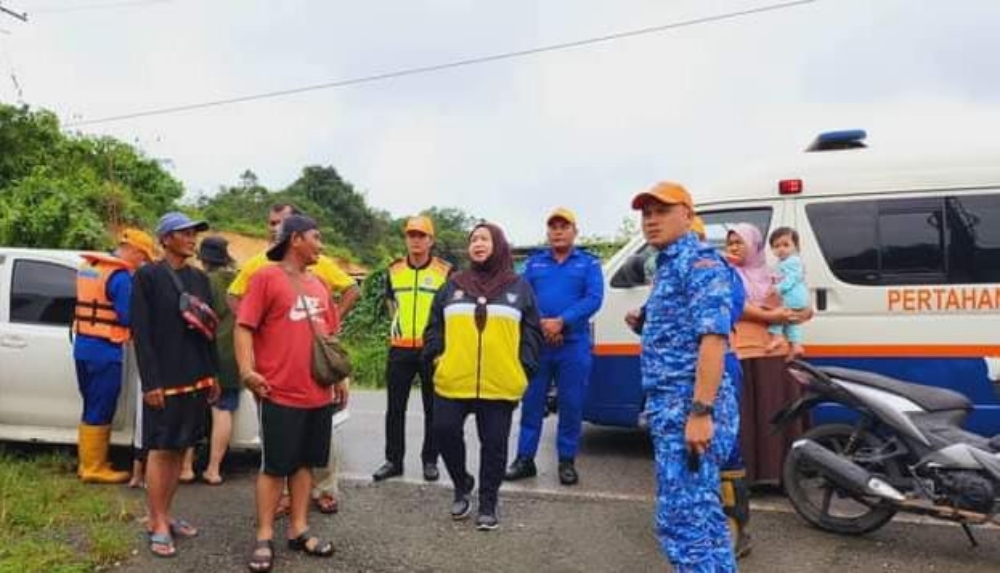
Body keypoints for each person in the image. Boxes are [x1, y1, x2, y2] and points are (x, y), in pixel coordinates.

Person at [625, 182, 738, 571]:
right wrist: (646, 324)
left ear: (687, 216)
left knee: (682, 521)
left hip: (688, 409)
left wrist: (701, 413)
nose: (651, 221)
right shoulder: (671, 263)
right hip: (672, 407)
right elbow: (685, 333)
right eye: (646, 214)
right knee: (704, 518)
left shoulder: (700, 263)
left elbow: (713, 341)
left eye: (661, 211)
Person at [229, 202, 358, 515]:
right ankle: (271, 520)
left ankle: (321, 494)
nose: (275, 227)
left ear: (293, 231)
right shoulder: (260, 269)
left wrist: (337, 370)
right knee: (277, 457)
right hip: (276, 381)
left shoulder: (320, 271)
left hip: (317, 379)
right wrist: (260, 336)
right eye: (272, 222)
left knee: (312, 454)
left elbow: (347, 298)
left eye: (281, 222)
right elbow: (237, 305)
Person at [235, 215, 344, 571]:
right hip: (279, 392)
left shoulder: (321, 285)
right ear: (296, 239)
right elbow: (244, 327)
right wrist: (247, 371)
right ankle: (264, 535)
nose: (321, 245)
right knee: (274, 466)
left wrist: (340, 378)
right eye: (316, 237)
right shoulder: (266, 278)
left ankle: (299, 529)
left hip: (318, 394)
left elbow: (329, 334)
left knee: (305, 464)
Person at [423, 222, 542, 531]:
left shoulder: (519, 287)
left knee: (494, 445)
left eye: (484, 238)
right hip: (453, 378)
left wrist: (524, 367)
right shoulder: (453, 284)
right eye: (473, 239)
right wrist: (437, 357)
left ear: (498, 244)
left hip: (499, 382)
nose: (477, 243)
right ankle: (462, 484)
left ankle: (488, 501)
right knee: (444, 430)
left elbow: (531, 332)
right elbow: (435, 325)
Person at [132, 212, 220, 558]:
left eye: (193, 233)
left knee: (181, 447)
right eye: (184, 233)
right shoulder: (147, 277)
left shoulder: (200, 279)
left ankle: (165, 514)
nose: (191, 238)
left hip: (195, 377)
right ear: (165, 239)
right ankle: (156, 523)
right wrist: (151, 381)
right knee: (162, 449)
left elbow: (208, 329)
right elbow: (142, 332)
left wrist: (211, 373)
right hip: (164, 382)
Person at [505, 208, 603, 486]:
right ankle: (525, 459)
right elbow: (522, 296)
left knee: (571, 404)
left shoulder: (589, 264)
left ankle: (566, 461)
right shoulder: (534, 264)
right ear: (547, 232)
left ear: (575, 231)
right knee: (532, 402)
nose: (558, 231)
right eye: (553, 227)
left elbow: (593, 299)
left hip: (574, 345)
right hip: (539, 344)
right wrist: (545, 326)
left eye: (564, 226)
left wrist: (563, 322)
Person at [725, 223, 809, 486]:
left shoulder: (774, 273)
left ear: (755, 247)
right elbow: (735, 306)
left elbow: (800, 307)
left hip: (776, 354)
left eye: (740, 242)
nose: (734, 247)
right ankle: (748, 476)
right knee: (748, 416)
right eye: (730, 243)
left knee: (775, 413)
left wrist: (799, 313)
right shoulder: (726, 274)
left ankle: (784, 475)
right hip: (744, 351)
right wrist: (770, 314)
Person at [372, 216, 452, 483]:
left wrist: (440, 344)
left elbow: (449, 312)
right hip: (400, 349)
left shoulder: (444, 271)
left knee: (434, 409)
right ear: (406, 239)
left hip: (432, 350)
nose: (416, 240)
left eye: (421, 236)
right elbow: (391, 305)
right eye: (411, 235)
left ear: (431, 240)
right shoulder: (393, 271)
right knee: (395, 408)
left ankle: (430, 460)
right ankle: (393, 460)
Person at [73, 228, 155, 483]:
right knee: (102, 403)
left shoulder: (89, 266)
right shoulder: (119, 277)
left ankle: (88, 463)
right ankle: (94, 468)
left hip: (83, 346)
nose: (142, 264)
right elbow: (128, 316)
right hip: (105, 350)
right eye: (143, 259)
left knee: (91, 403)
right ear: (134, 251)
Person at [198, 236, 239, 485]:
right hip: (235, 353)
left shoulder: (205, 282)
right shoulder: (238, 280)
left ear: (203, 259)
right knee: (224, 410)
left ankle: (185, 468)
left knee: (196, 408)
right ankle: (214, 468)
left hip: (209, 351)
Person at [767, 226, 809, 359]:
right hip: (798, 298)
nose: (781, 249)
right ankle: (796, 346)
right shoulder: (785, 262)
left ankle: (777, 337)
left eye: (786, 245)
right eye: (776, 246)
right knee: (792, 322)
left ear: (796, 246)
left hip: (791, 297)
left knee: (777, 314)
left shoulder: (792, 262)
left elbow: (790, 279)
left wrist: (777, 288)